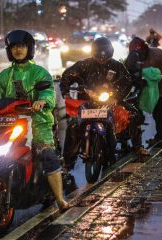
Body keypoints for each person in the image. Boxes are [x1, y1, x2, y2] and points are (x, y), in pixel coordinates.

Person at [0, 30, 70, 211]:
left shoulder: (39, 72)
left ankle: (60, 200)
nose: (18, 50)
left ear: (29, 49)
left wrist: (42, 101)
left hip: (37, 123)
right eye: (14, 47)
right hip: (10, 122)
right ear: (9, 50)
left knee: (47, 156)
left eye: (22, 46)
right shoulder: (4, 75)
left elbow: (48, 91)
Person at [60, 37, 133, 172]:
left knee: (132, 115)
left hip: (109, 102)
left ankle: (136, 146)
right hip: (86, 103)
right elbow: (67, 76)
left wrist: (117, 96)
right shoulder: (84, 65)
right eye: (99, 53)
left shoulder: (117, 66)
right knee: (74, 127)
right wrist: (65, 91)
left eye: (105, 53)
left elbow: (127, 82)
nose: (102, 57)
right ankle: (67, 163)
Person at [128, 37, 162, 146]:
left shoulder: (157, 54)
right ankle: (160, 137)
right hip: (152, 89)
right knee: (156, 113)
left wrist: (154, 80)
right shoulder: (134, 58)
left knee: (161, 113)